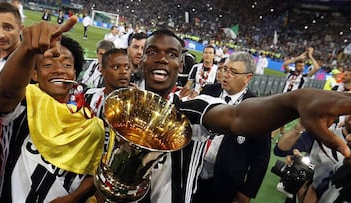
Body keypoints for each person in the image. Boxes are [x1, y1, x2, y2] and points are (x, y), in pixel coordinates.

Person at [136, 28, 351, 203]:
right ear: (140, 57)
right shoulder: (115, 102)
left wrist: (294, 101)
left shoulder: (192, 107)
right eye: (152, 51)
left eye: (172, 54)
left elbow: (237, 118)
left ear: (180, 65)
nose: (162, 59)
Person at [0, 17, 105, 202]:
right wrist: (27, 49)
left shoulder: (91, 123)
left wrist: (73, 198)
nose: (59, 69)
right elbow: (6, 93)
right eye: (48, 64)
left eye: (67, 65)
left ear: (75, 75)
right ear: (34, 74)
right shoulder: (24, 102)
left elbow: (94, 172)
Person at [194, 51, 271, 203]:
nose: (225, 75)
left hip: (225, 183)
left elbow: (261, 157)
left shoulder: (257, 108)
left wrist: (247, 191)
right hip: (194, 171)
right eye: (224, 69)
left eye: (233, 72)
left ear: (248, 77)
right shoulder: (209, 91)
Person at [0, 2, 23, 195]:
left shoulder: (31, 66)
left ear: (21, 28)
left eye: (8, 27)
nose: (0, 34)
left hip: (11, 154)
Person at [84, 48, 132, 152]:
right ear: (103, 71)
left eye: (127, 67)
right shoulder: (90, 96)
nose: (123, 71)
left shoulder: (136, 104)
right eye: (116, 67)